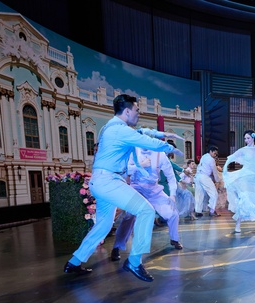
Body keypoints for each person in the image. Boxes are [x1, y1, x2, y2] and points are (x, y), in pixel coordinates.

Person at [63, 94, 183, 282]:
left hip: (100, 181)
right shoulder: (120, 130)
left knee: (103, 225)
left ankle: (75, 261)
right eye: (137, 110)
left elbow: (142, 132)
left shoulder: (110, 127)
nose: (138, 114)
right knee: (146, 211)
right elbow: (147, 141)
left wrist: (163, 134)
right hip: (109, 181)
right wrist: (169, 148)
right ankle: (134, 261)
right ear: (127, 111)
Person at [109, 145, 184, 263]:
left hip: (154, 190)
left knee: (173, 213)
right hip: (136, 188)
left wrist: (173, 195)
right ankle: (117, 246)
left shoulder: (160, 155)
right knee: (130, 216)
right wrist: (140, 165)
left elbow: (170, 176)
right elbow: (125, 169)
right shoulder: (133, 151)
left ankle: (174, 239)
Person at [222, 130, 255, 233]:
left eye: (248, 138)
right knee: (244, 198)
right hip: (245, 177)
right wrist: (225, 168)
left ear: (253, 138)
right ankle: (238, 224)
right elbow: (231, 158)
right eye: (245, 138)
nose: (246, 140)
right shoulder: (243, 150)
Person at [194, 145, 222, 217]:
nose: (215, 155)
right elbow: (214, 171)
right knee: (214, 194)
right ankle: (212, 211)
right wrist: (217, 181)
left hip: (197, 176)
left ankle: (198, 211)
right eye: (214, 153)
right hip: (204, 177)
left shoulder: (204, 156)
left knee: (199, 194)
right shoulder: (211, 159)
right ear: (210, 151)